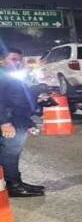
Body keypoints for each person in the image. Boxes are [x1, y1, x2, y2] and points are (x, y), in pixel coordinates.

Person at [0, 47, 46, 197]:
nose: (18, 62)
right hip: (10, 120)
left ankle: (17, 182)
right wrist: (4, 123)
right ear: (2, 60)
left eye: (20, 59)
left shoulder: (11, 76)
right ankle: (14, 186)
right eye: (13, 59)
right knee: (10, 154)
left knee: (14, 153)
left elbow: (18, 97)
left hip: (18, 118)